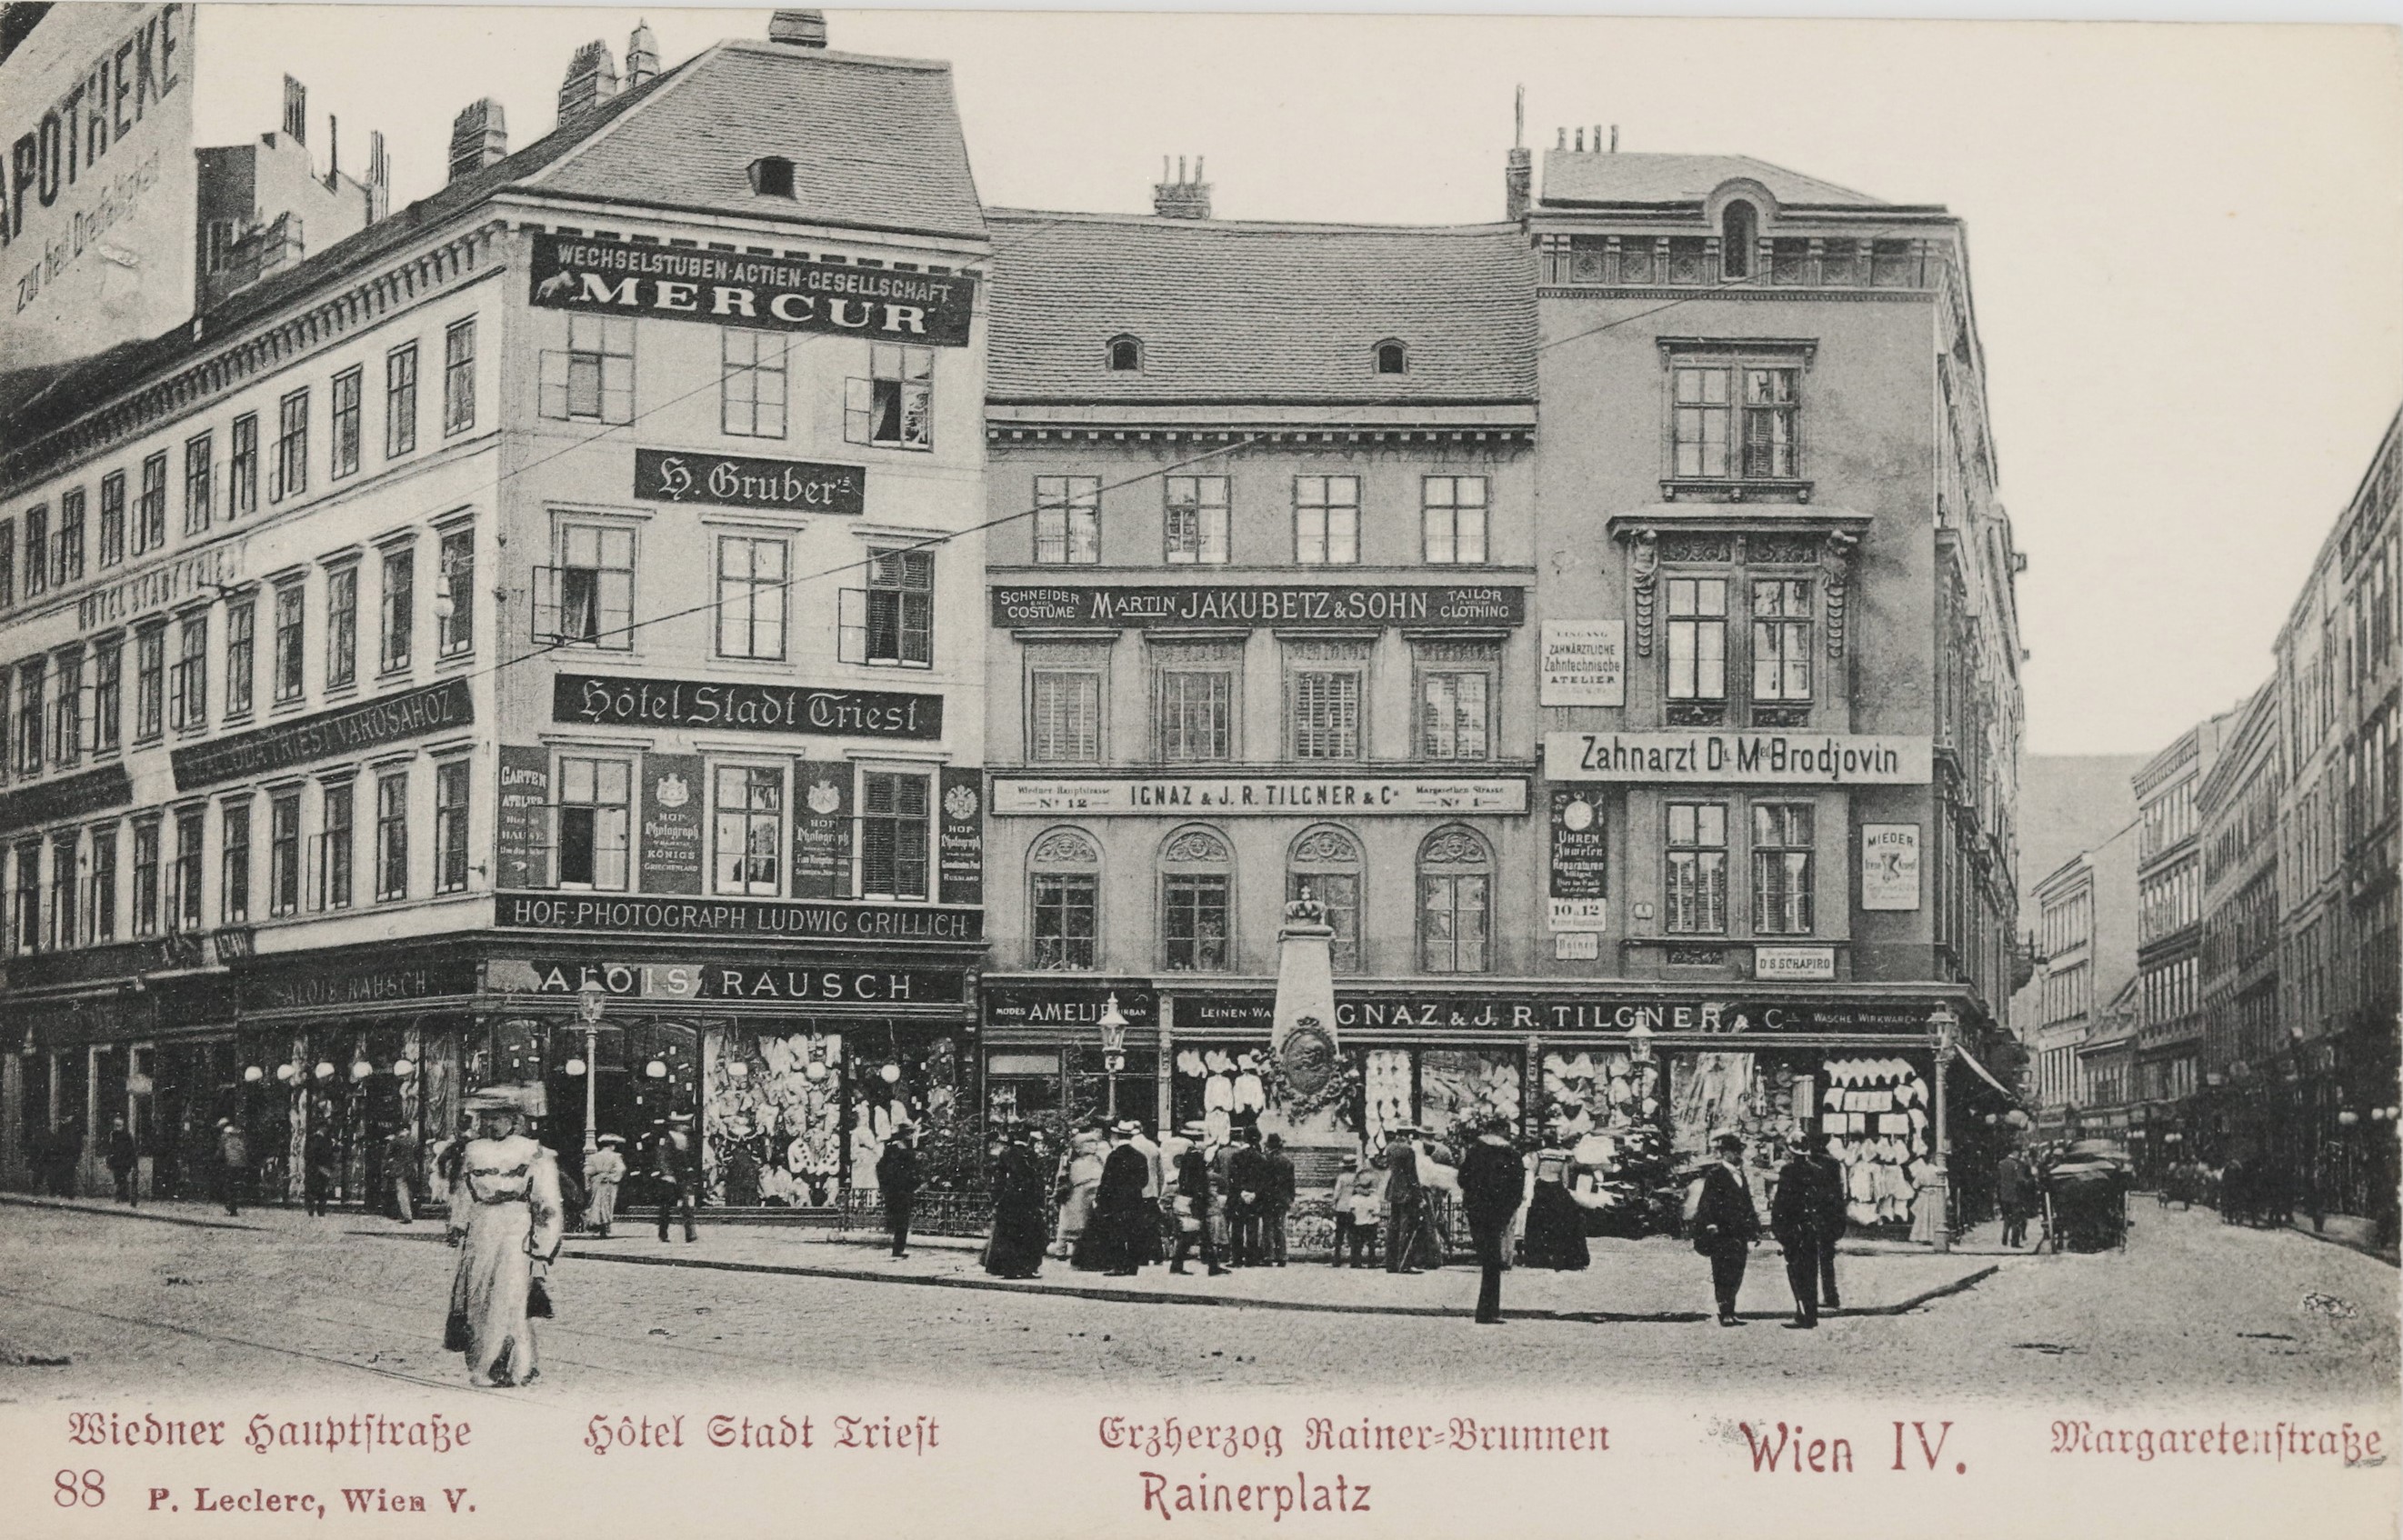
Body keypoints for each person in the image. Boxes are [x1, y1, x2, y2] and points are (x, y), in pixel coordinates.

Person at [443, 1090, 566, 1388]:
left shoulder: (533, 1152)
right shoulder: (473, 1152)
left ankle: (513, 1366)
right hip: (482, 1229)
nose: (492, 1124)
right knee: (478, 1296)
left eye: (499, 1118)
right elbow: (463, 1191)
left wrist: (543, 1243)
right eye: (486, 1118)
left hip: (516, 1227)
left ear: (515, 1120)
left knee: (510, 1296)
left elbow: (546, 1199)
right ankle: (482, 1363)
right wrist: (458, 1222)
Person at [1458, 1118, 1528, 1325]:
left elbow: (1462, 1179)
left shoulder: (1475, 1151)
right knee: (1493, 1262)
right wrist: (1508, 1210)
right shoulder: (1512, 1155)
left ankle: (1486, 1311)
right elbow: (1518, 1186)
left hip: (1476, 1210)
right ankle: (1488, 1311)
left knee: (1487, 1259)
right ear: (1504, 1131)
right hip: (1498, 1212)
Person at [1688, 1133, 1760, 1326]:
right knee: (1722, 1272)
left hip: (1739, 1231)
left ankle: (1731, 1309)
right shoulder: (1715, 1175)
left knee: (1737, 1271)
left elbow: (1747, 1204)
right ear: (1726, 1153)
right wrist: (1711, 1225)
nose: (1739, 1155)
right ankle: (1725, 1312)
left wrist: (1755, 1228)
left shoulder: (1740, 1175)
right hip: (1722, 1232)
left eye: (1740, 1151)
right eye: (1735, 1152)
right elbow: (1706, 1204)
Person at [1084, 1120, 1153, 1276]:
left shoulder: (1114, 1156)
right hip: (1135, 1200)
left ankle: (1119, 1265)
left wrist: (1100, 1199)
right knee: (1133, 1232)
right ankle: (1132, 1266)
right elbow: (1144, 1181)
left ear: (1117, 1136)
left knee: (1117, 1233)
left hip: (1116, 1201)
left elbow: (1107, 1181)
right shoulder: (1139, 1156)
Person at [1771, 1141, 1827, 1329]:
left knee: (1795, 1272)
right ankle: (1811, 1314)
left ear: (1791, 1152)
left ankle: (1802, 1314)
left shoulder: (1788, 1171)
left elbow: (1782, 1202)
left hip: (1793, 1228)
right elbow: (1825, 1201)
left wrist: (1778, 1228)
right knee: (1811, 1272)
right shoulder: (1818, 1170)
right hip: (1811, 1229)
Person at [984, 1124, 1048, 1278]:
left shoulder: (1006, 1153)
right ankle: (1026, 1268)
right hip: (1028, 1200)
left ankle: (1009, 1268)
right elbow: (1036, 1179)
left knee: (1008, 1234)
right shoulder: (1030, 1154)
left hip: (1010, 1198)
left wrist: (996, 1198)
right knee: (1028, 1233)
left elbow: (998, 1179)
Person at [1520, 1136, 1592, 1270]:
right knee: (1564, 1221)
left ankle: (1538, 1257)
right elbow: (1565, 1179)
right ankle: (1564, 1257)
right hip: (1557, 1189)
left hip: (1541, 1188)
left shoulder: (1539, 1154)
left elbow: (1531, 1173)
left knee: (1538, 1222)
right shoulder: (1562, 1156)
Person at [1169, 1122, 1228, 1275]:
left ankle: (1210, 1266)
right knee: (1193, 1234)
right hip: (1195, 1201)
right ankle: (1209, 1266)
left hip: (1188, 1199)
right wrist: (1201, 1197)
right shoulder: (1196, 1156)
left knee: (1199, 1235)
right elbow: (1199, 1180)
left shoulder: (1188, 1156)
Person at [1052, 1119, 1106, 1260]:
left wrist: (1057, 1192)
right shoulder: (1096, 1160)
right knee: (1085, 1221)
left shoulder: (1071, 1159)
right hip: (1089, 1192)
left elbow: (1061, 1176)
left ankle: (1061, 1250)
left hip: (1075, 1193)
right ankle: (1075, 1250)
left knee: (1067, 1222)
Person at [645, 1113, 699, 1243]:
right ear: (677, 1126)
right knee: (666, 1207)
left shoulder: (684, 1139)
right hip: (669, 1178)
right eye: (683, 1125)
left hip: (682, 1177)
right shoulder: (667, 1139)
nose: (686, 1128)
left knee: (687, 1206)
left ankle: (690, 1234)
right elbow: (662, 1158)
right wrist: (667, 1173)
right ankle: (663, 1233)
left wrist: (688, 1169)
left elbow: (686, 1159)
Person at [1383, 1127, 1429, 1274]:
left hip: (1393, 1190)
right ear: (1407, 1134)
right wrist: (1419, 1196)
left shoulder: (1390, 1147)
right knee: (1407, 1228)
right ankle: (1405, 1263)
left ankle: (1390, 1264)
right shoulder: (1408, 1150)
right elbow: (1412, 1174)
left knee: (1393, 1226)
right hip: (1406, 1192)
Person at [876, 1122, 920, 1258]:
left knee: (901, 1220)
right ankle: (897, 1249)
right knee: (901, 1220)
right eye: (910, 1133)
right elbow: (884, 1168)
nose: (911, 1136)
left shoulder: (898, 1148)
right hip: (899, 1190)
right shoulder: (899, 1149)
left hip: (898, 1190)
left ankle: (898, 1248)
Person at [1227, 1128, 1268, 1267]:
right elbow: (1264, 1180)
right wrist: (1255, 1193)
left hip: (1239, 1197)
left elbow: (1232, 1177)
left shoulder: (1236, 1156)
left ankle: (1237, 1259)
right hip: (1254, 1198)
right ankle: (1251, 1259)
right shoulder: (1261, 1158)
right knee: (1252, 1228)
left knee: (1237, 1229)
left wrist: (1241, 1192)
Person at [1332, 1156, 1382, 1267]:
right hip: (1355, 1210)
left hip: (1342, 1207)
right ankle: (1354, 1259)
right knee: (1354, 1236)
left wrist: (1334, 1203)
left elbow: (1337, 1192)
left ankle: (1336, 1259)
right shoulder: (1358, 1178)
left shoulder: (1341, 1178)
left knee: (1339, 1234)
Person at [1260, 1134, 1297, 1266]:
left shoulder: (1264, 1159)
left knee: (1268, 1227)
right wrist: (1290, 1197)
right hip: (1282, 1198)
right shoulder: (1287, 1160)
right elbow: (1291, 1182)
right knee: (1280, 1227)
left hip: (1267, 1198)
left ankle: (1268, 1256)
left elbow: (1262, 1181)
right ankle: (1282, 1256)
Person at [583, 1135, 627, 1238]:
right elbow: (620, 1169)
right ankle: (604, 1227)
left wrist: (588, 1184)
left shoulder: (593, 1156)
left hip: (597, 1181)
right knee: (607, 1204)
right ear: (612, 1146)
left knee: (597, 1203)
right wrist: (612, 1177)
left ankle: (599, 1225)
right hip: (608, 1182)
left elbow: (588, 1171)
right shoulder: (616, 1156)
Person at [1996, 1145, 2035, 1249]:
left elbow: (1998, 1180)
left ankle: (2004, 1239)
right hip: (2015, 1195)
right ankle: (2014, 1242)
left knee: (2007, 1217)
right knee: (2016, 1219)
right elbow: (2020, 1180)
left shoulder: (2001, 1163)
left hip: (2004, 1195)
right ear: (2016, 1152)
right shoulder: (2016, 1164)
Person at [304, 1111, 338, 1216]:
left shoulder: (317, 1139)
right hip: (318, 1167)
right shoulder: (316, 1139)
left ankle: (316, 1209)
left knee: (319, 1189)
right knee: (319, 1189)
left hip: (319, 1167)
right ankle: (317, 1210)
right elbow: (313, 1153)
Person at [386, 1125, 422, 1224]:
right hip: (411, 1169)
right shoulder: (414, 1140)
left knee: (402, 1192)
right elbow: (417, 1154)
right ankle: (413, 1211)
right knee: (410, 1191)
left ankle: (407, 1215)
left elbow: (388, 1153)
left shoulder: (396, 1140)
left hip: (399, 1169)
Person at [215, 1118, 249, 1216]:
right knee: (235, 1186)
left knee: (228, 1186)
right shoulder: (240, 1133)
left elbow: (221, 1149)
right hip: (241, 1163)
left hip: (230, 1162)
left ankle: (230, 1208)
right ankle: (233, 1207)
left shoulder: (225, 1135)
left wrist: (216, 1159)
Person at [105, 1116, 140, 1207]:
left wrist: (133, 1162)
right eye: (116, 1125)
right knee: (118, 1178)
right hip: (116, 1160)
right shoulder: (113, 1135)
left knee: (123, 1178)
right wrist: (109, 1160)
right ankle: (121, 1196)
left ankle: (122, 1196)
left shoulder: (127, 1136)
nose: (117, 1127)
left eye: (119, 1125)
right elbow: (110, 1148)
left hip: (125, 1160)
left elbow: (132, 1149)